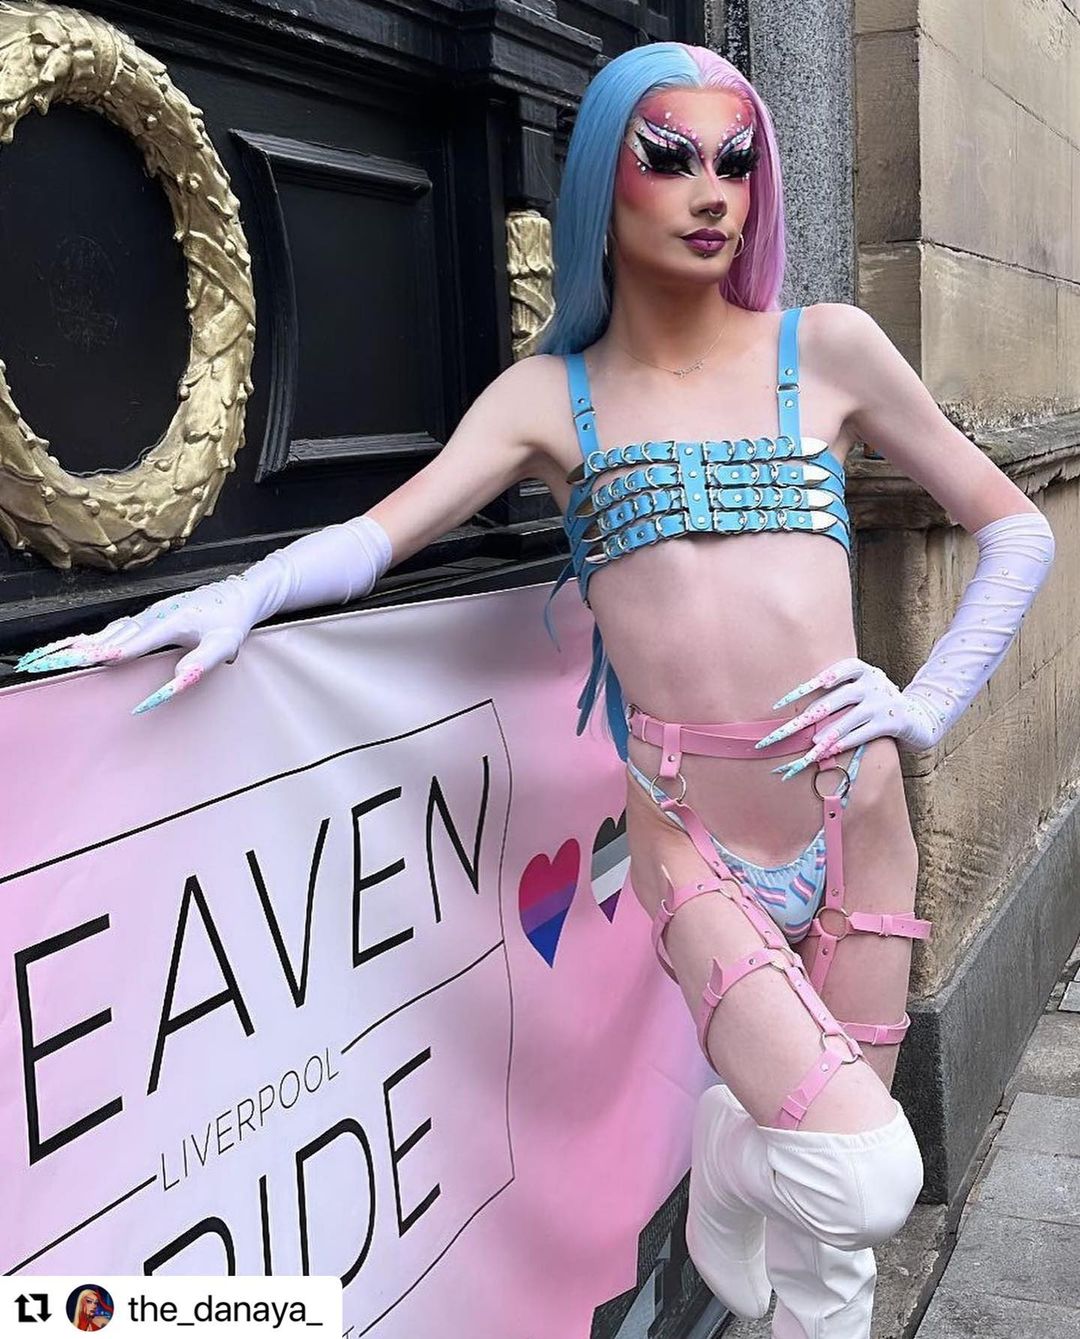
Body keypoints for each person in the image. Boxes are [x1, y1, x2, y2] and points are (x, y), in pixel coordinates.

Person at [17, 41, 1054, 1339]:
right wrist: (241, 595)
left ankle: (755, 1187)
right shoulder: (549, 400)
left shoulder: (830, 347)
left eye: (737, 160)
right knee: (862, 1176)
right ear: (602, 179)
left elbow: (1016, 528)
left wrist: (925, 701)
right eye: (668, 157)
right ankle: (727, 1160)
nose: (713, 191)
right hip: (698, 841)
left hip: (865, 819)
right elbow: (378, 536)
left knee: (832, 1242)